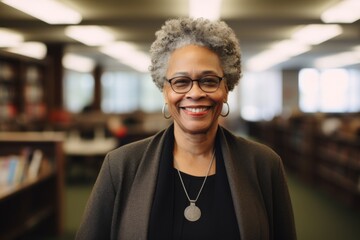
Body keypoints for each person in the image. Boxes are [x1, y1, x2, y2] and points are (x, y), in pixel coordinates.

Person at [76, 17, 296, 240]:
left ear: (226, 88)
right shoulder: (121, 165)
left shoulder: (264, 165)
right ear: (165, 91)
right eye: (181, 82)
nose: (195, 93)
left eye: (209, 81)